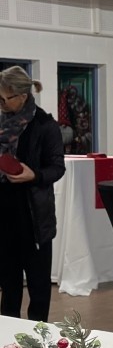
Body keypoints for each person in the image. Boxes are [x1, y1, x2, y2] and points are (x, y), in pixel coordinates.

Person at [0, 66, 65, 320]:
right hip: (4, 219)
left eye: (7, 98)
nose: (2, 104)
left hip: (35, 221)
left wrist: (34, 175)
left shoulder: (45, 125)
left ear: (23, 96)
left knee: (38, 293)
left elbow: (57, 168)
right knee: (9, 289)